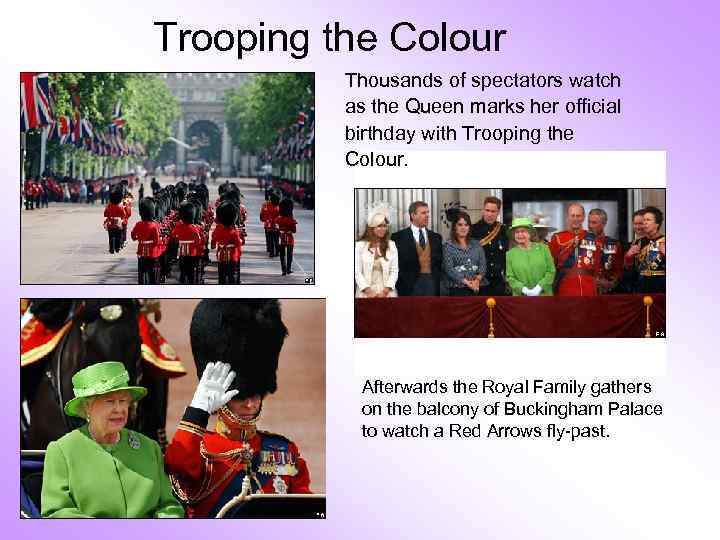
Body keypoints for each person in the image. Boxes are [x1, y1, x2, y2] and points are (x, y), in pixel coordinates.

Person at [165, 300, 312, 518]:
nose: (250, 404)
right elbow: (176, 467)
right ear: (222, 397)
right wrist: (198, 411)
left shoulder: (284, 451)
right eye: (240, 396)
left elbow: (306, 513)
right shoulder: (201, 449)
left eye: (255, 395)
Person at [40, 361, 184, 518]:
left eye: (123, 401)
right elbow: (56, 512)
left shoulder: (149, 447)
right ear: (87, 407)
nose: (119, 409)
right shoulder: (62, 451)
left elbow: (169, 506)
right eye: (110, 401)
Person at [391, 201, 443, 296]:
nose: (427, 215)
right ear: (413, 215)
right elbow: (395, 264)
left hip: (432, 284)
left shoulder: (436, 237)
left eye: (428, 212)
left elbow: (439, 263)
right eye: (423, 213)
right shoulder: (398, 237)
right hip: (408, 286)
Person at [549, 203, 600, 296]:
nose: (575, 219)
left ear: (583, 217)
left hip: (588, 289)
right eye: (572, 216)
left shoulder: (593, 237)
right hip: (566, 288)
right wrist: (569, 246)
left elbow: (597, 265)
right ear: (567, 217)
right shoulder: (557, 238)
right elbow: (551, 265)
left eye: (578, 216)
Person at [355, 203, 399, 298]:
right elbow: (357, 272)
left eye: (384, 226)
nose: (383, 229)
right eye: (379, 226)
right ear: (371, 228)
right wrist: (368, 291)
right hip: (365, 293)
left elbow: (394, 270)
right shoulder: (359, 246)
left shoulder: (391, 245)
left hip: (387, 293)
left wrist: (385, 291)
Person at [505, 217, 556, 296]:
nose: (520, 234)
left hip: (544, 297)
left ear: (530, 233)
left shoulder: (544, 249)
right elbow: (510, 277)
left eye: (523, 231)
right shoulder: (510, 254)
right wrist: (524, 290)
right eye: (517, 232)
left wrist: (539, 287)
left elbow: (551, 271)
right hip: (521, 299)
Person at [470, 196, 509, 295]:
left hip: (499, 280)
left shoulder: (503, 230)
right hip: (480, 280)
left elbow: (507, 254)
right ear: (483, 210)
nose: (490, 214)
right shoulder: (472, 230)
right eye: (487, 210)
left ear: (498, 212)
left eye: (493, 211)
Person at [442, 210, 487, 296]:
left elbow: (483, 265)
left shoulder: (477, 244)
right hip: (457, 289)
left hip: (479, 287)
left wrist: (477, 280)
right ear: (454, 227)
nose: (463, 228)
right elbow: (449, 270)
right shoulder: (447, 246)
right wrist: (467, 283)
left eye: (466, 225)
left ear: (469, 227)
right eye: (460, 225)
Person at [628, 206, 666, 293]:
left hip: (660, 287)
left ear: (657, 224)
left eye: (648, 220)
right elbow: (631, 269)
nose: (644, 223)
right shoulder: (637, 243)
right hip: (640, 286)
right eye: (644, 220)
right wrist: (628, 257)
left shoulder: (666, 241)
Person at [587, 208, 624, 294]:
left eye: (594, 222)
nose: (590, 226)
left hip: (607, 293)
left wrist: (611, 283)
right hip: (586, 290)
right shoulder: (581, 243)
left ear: (604, 223)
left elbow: (618, 270)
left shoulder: (614, 244)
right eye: (589, 222)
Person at [131, 198, 162, 284]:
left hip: (141, 251)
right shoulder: (154, 225)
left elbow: (133, 235)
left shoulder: (138, 224)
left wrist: (138, 238)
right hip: (152, 253)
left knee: (141, 271)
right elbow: (156, 240)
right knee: (152, 272)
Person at [211, 201, 243, 284]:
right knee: (231, 275)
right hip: (232, 256)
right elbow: (238, 244)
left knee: (221, 275)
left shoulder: (218, 228)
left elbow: (214, 238)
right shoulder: (234, 231)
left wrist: (213, 245)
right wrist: (239, 253)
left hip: (221, 256)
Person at [172, 202, 203, 284]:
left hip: (182, 253)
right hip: (192, 254)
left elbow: (174, 236)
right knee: (191, 273)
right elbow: (199, 241)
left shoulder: (179, 226)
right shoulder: (195, 228)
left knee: (183, 271)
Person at [620, 209, 647, 293]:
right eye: (635, 224)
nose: (638, 227)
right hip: (630, 289)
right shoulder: (628, 245)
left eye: (640, 224)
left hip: (645, 287)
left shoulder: (651, 243)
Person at [276, 198, 298, 276]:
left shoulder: (279, 219)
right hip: (289, 238)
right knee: (289, 254)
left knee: (282, 255)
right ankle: (288, 269)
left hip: (281, 238)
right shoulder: (291, 219)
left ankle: (283, 270)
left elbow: (277, 228)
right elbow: (294, 231)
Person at [103, 188, 125, 254]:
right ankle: (117, 248)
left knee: (111, 236)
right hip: (118, 222)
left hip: (110, 222)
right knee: (118, 236)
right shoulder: (120, 207)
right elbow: (123, 215)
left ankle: (111, 249)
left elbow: (105, 214)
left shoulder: (109, 206)